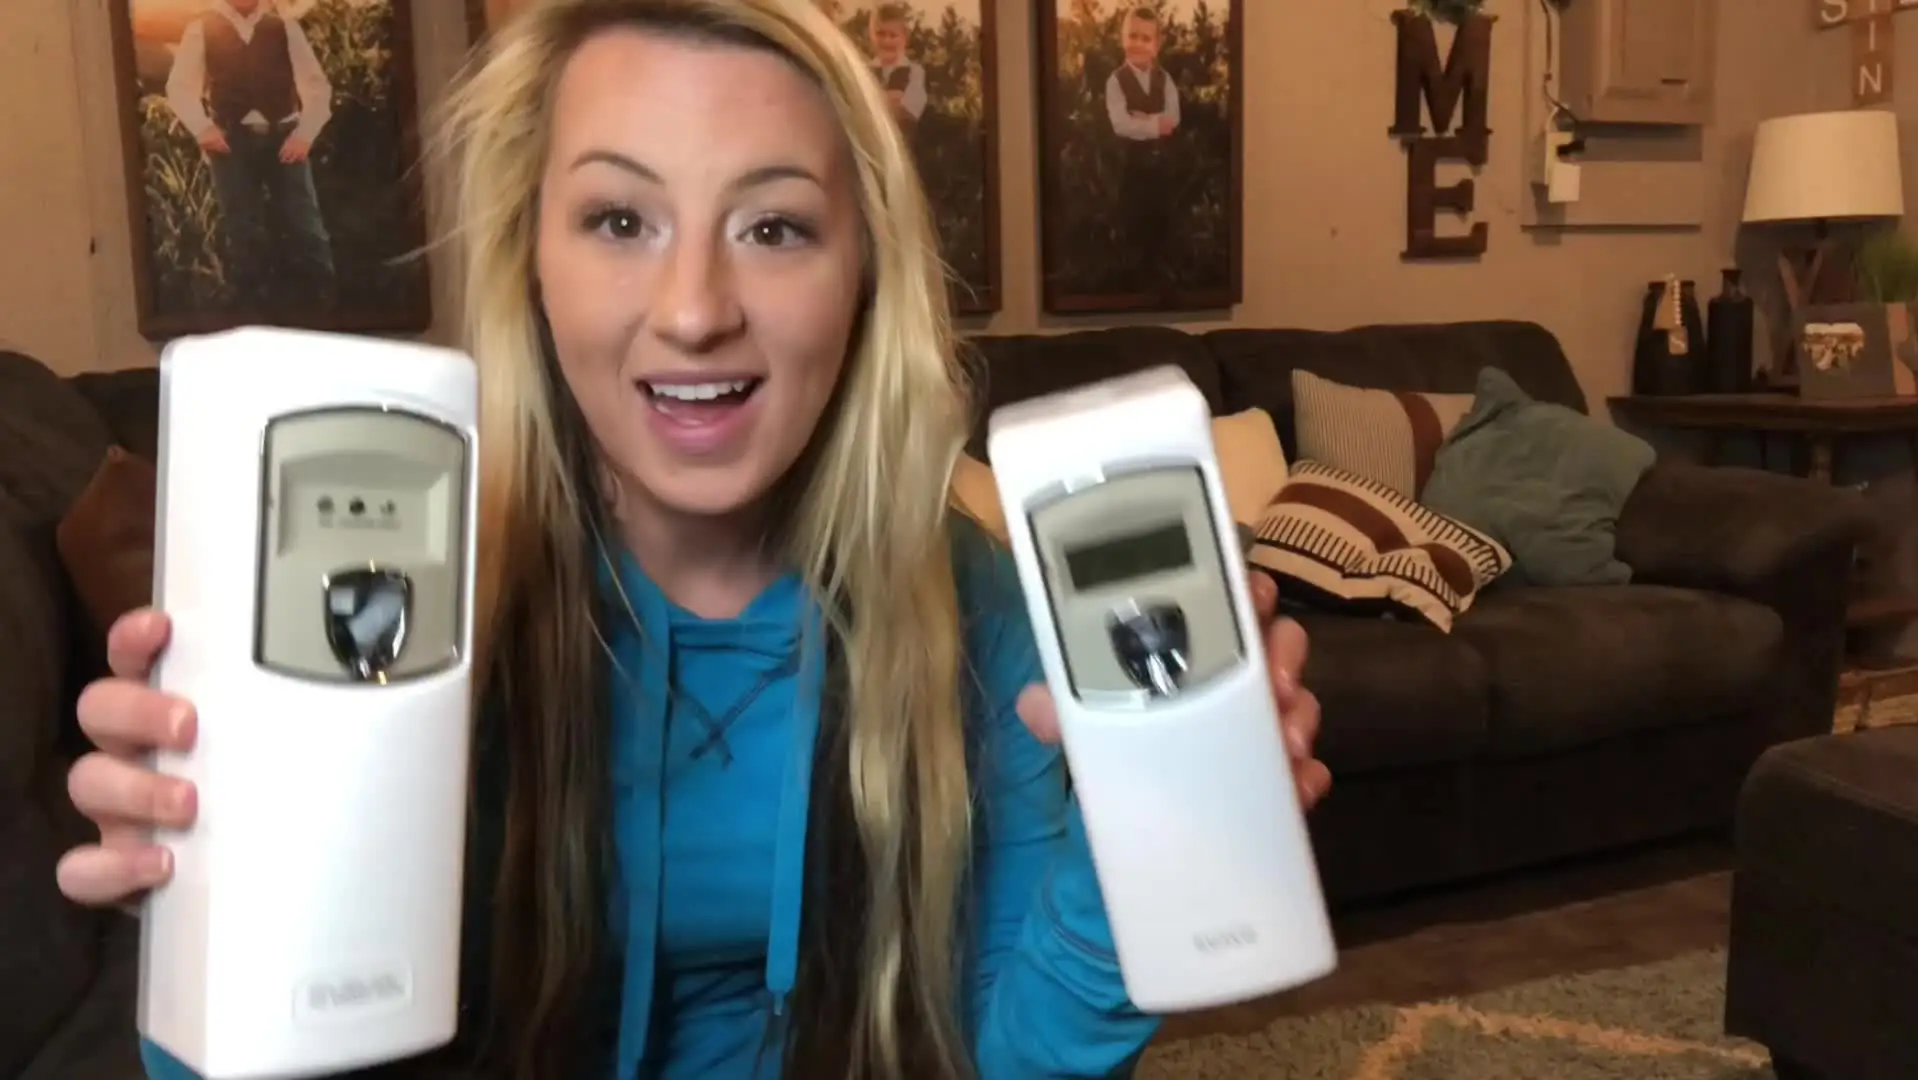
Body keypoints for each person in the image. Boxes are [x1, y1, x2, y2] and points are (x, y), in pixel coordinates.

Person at [58, 2, 1330, 1078]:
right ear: (532, 258)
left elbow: (1004, 1054)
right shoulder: (424, 606)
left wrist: (1140, 866)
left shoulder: (971, 599)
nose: (693, 311)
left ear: (864, 275)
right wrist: (216, 936)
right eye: (621, 221)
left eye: (774, 227)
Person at [164, 0, 338, 312]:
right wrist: (203, 128)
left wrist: (304, 134)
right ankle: (253, 305)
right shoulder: (203, 27)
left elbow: (316, 87)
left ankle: (322, 301)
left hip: (285, 136)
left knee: (303, 221)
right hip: (232, 142)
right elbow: (179, 87)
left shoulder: (283, 26)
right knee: (241, 225)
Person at [1101, 6, 1181, 296]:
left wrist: (1143, 121)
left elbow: (1173, 120)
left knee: (1160, 219)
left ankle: (1159, 271)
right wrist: (1154, 124)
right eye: (1133, 36)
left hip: (1161, 167)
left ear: (1156, 46)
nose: (1138, 43)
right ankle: (1130, 277)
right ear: (1122, 38)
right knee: (1132, 220)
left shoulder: (1165, 80)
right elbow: (1121, 124)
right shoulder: (1116, 81)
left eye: (1146, 38)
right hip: (1130, 167)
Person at [866, 3, 926, 139]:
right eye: (880, 34)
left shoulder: (914, 72)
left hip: (900, 142)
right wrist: (889, 100)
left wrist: (874, 102)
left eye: (893, 35)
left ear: (904, 39)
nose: (886, 41)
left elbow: (909, 112)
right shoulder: (864, 71)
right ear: (871, 35)